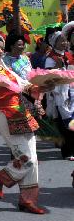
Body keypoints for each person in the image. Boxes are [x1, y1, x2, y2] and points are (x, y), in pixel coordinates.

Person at [0, 27, 47, 214]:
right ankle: (0, 178)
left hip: (22, 112)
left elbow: (22, 85)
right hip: (4, 114)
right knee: (25, 159)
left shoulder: (4, 68)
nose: (0, 51)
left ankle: (27, 200)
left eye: (2, 47)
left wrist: (43, 85)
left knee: (33, 160)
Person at [47, 24, 74, 160]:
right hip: (59, 94)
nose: (64, 43)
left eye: (65, 40)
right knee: (65, 123)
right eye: (60, 41)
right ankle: (67, 151)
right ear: (54, 43)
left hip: (71, 90)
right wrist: (57, 69)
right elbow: (48, 77)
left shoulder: (68, 55)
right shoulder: (51, 58)